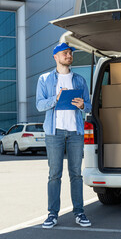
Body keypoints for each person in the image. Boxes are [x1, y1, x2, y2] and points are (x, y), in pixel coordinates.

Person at [36, 42, 92, 229]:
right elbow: (39, 105)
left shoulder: (79, 80)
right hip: (54, 133)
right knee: (54, 174)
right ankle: (52, 214)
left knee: (76, 174)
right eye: (65, 53)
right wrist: (56, 99)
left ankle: (79, 212)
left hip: (75, 132)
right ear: (56, 57)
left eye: (70, 53)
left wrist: (82, 105)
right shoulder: (45, 79)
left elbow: (89, 106)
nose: (69, 55)